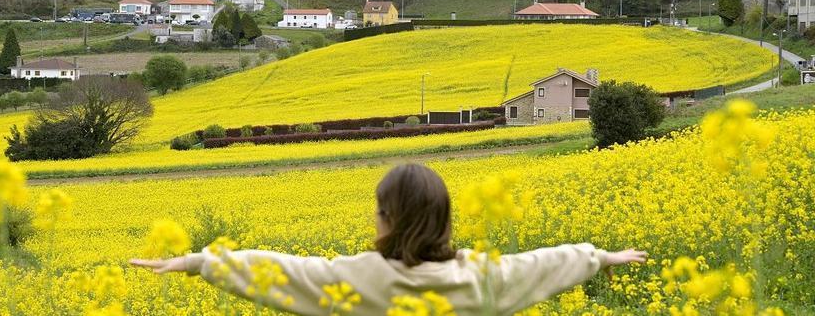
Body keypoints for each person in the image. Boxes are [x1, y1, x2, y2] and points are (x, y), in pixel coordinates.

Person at [131, 164, 646, 315]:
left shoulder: (364, 278)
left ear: (388, 220)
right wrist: (601, 257)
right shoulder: (481, 278)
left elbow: (283, 270)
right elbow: (543, 264)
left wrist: (199, 261)